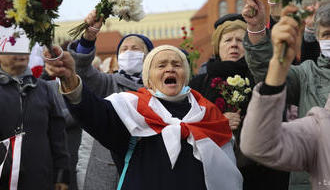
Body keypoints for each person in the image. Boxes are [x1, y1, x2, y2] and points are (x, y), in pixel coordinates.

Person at [44, 44, 243, 190]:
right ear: (148, 78)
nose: (170, 68)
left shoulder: (209, 114)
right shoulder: (130, 109)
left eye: (177, 64)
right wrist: (69, 79)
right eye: (161, 65)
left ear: (186, 74)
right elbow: (93, 113)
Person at [46, 9, 154, 190]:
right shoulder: (109, 83)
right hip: (106, 170)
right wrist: (88, 39)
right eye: (124, 49)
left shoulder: (158, 89)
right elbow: (82, 71)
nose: (129, 52)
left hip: (148, 164)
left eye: (135, 48)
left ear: (148, 56)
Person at [189, 17, 289, 189]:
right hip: (214, 173)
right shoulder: (198, 84)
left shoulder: (262, 78)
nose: (234, 45)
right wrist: (218, 123)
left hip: (263, 172)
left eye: (241, 40)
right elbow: (186, 126)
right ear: (217, 47)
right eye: (227, 40)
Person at [242, 0, 330, 189]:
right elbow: (268, 72)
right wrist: (257, 29)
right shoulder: (308, 75)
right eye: (327, 34)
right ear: (317, 38)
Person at [0, 53, 70, 190]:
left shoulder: (44, 89)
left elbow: (58, 137)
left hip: (41, 180)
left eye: (24, 47)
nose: (20, 53)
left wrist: (61, 175)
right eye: (13, 47)